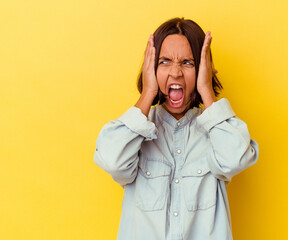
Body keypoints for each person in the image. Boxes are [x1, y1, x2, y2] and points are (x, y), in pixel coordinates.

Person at [94, 17, 259, 240]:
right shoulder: (136, 133)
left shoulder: (216, 132)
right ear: (151, 70)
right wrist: (147, 94)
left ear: (203, 70)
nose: (176, 72)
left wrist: (206, 89)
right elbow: (112, 160)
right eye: (164, 61)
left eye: (188, 63)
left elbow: (236, 158)